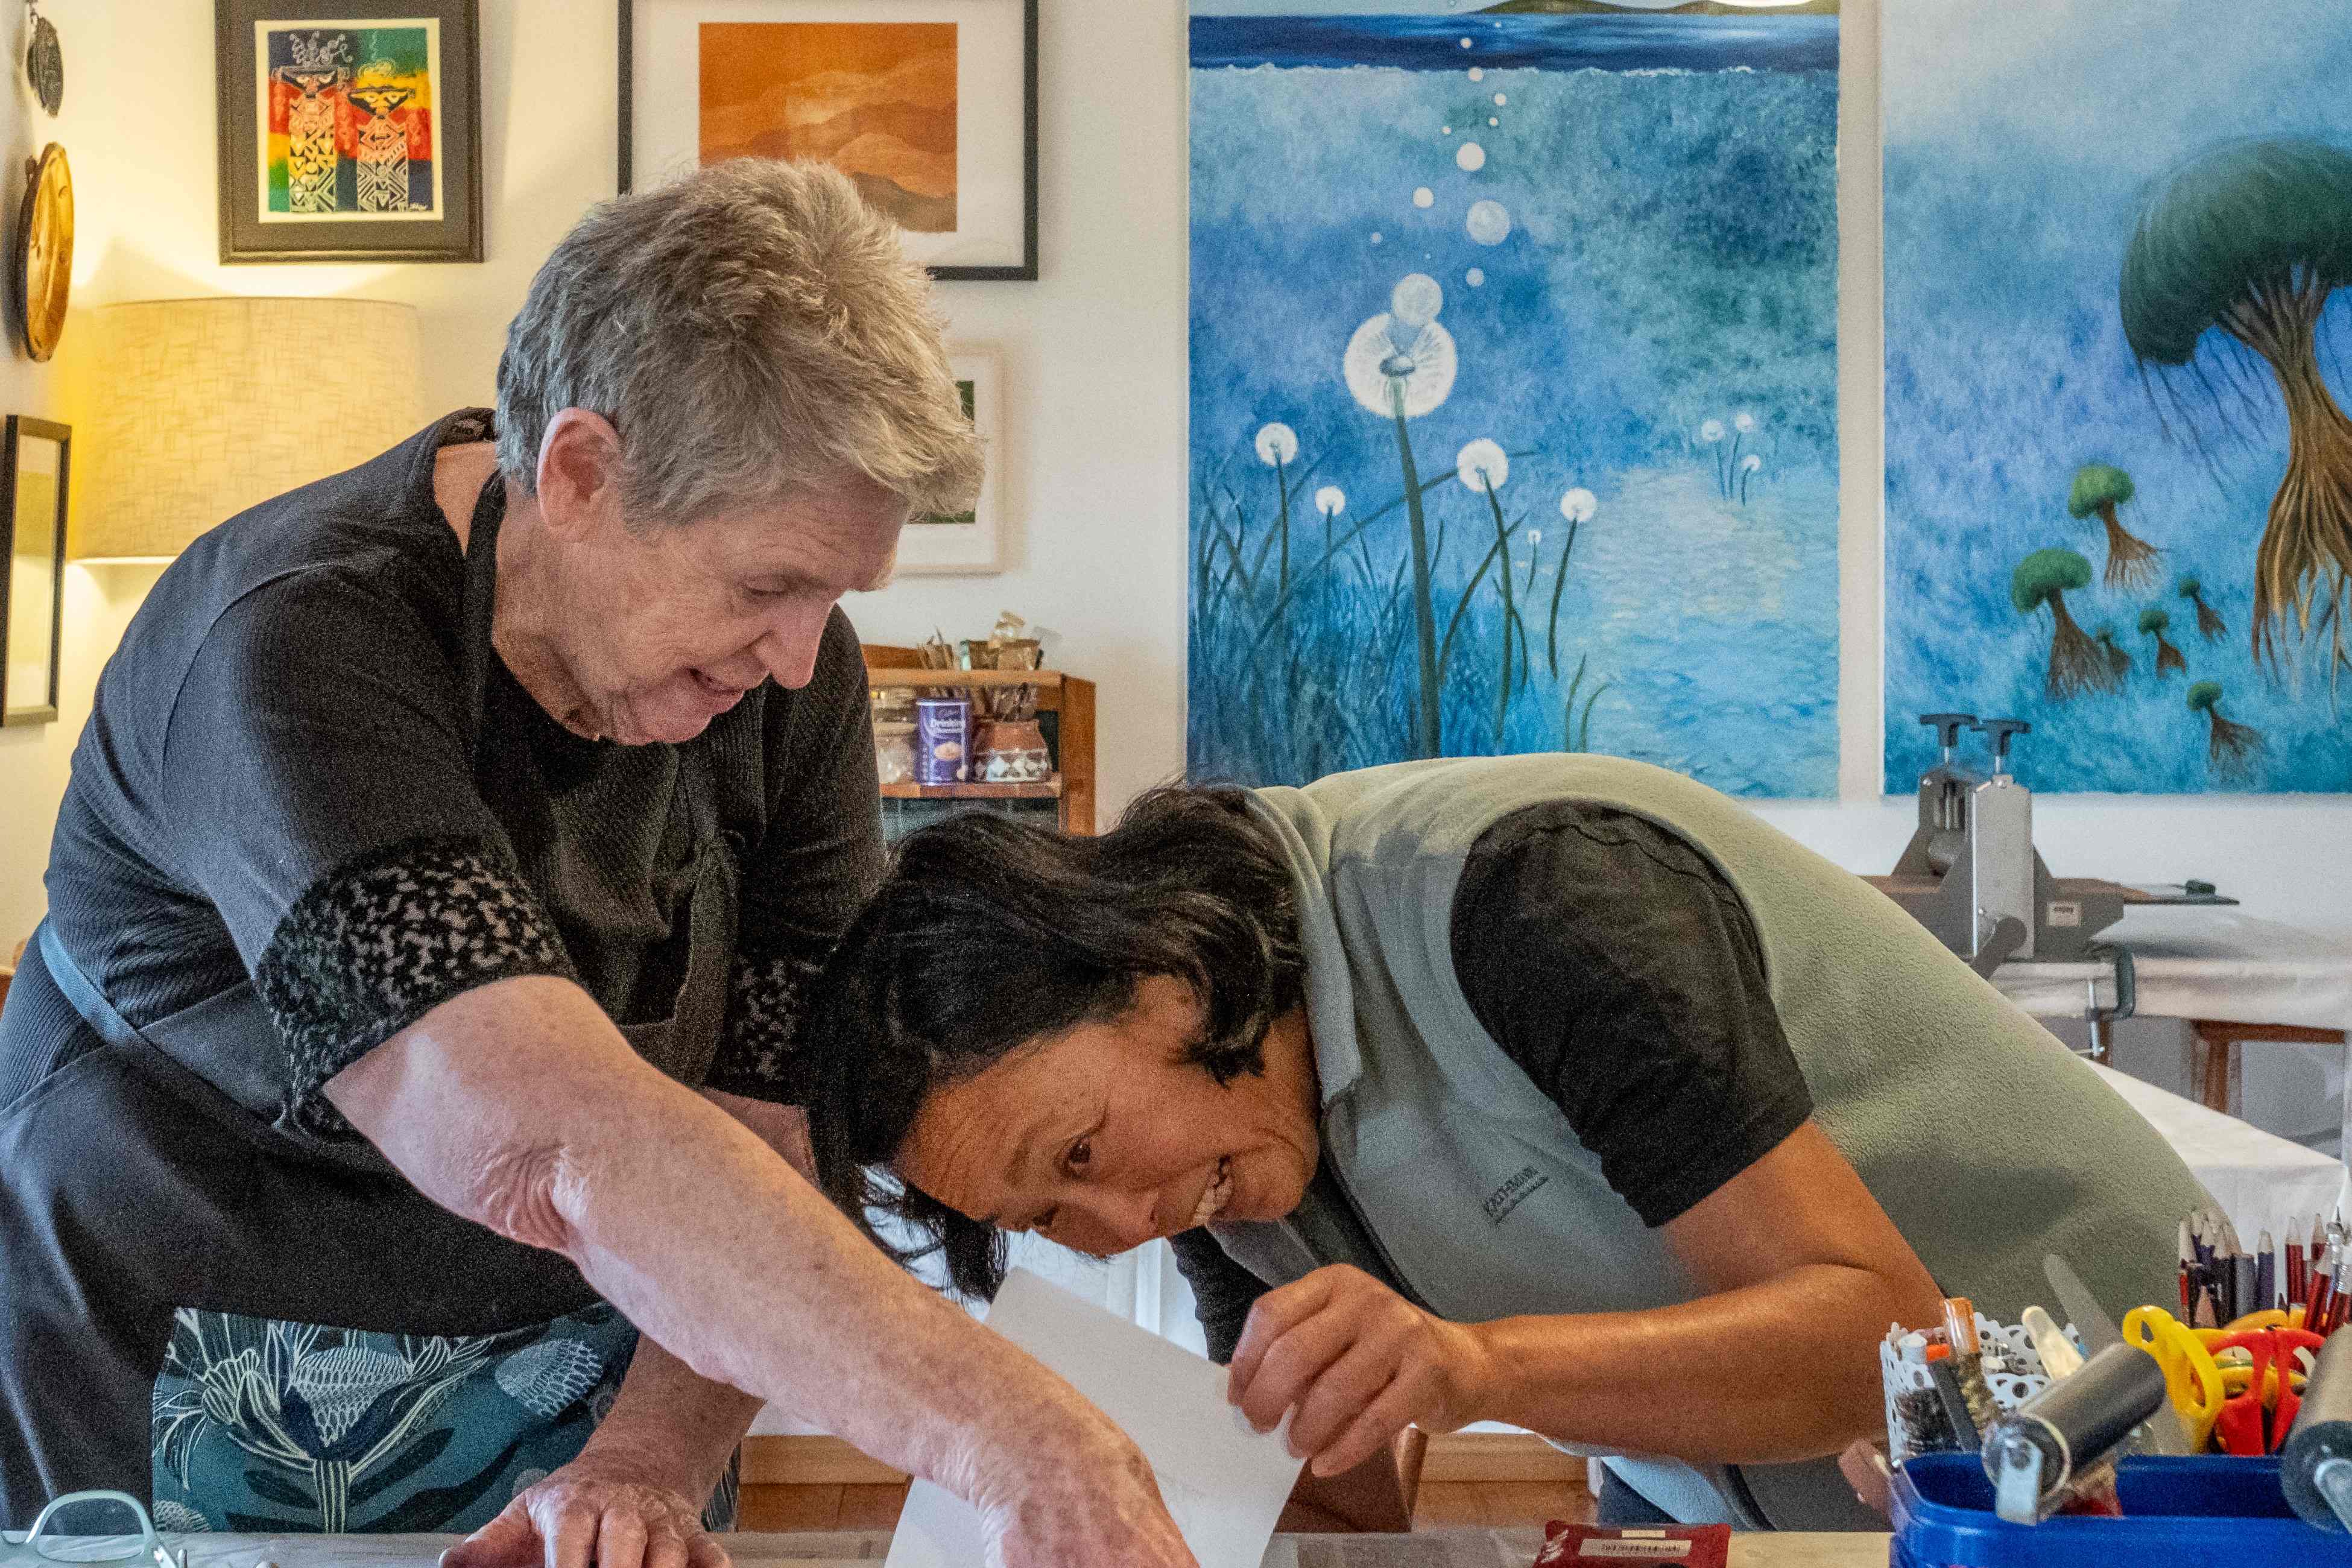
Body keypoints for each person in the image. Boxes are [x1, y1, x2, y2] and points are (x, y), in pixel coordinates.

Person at [0, 160, 1195, 1568]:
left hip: (599, 1379)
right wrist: (1021, 1436)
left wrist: (646, 1460)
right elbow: (544, 1138)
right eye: (766, 585)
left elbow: (777, 1130)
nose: (802, 656)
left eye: (833, 597)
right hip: (197, 1373)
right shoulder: (296, 645)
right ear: (577, 472)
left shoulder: (788, 685)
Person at [804, 753, 2214, 1530]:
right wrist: (1125, 1467)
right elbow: (1354, 1492)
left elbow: (1880, 1345)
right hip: (1861, 1522)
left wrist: (1470, 1364)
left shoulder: (1531, 897)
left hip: (2167, 1444)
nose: (1116, 1227)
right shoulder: (1222, 1164)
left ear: (1154, 968)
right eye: (1052, 1222)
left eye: (1081, 1156)